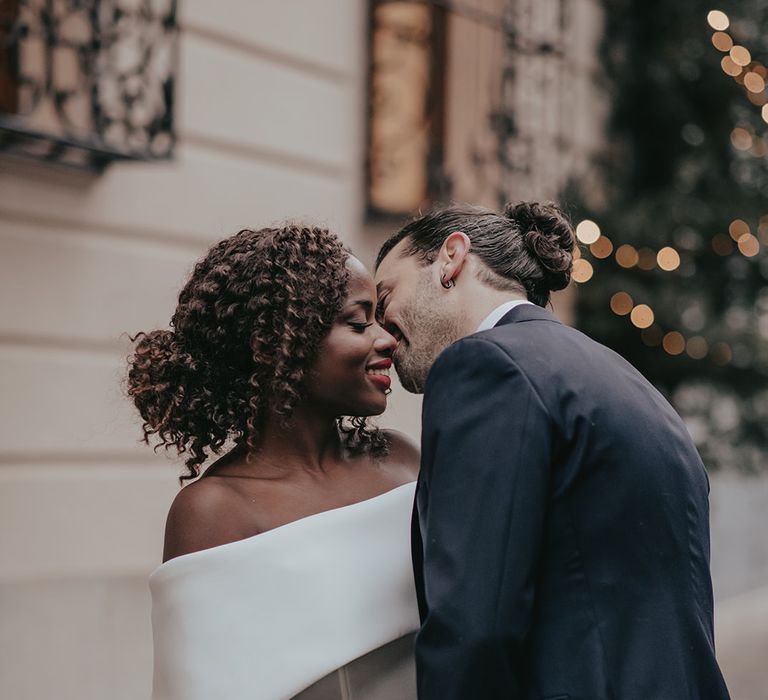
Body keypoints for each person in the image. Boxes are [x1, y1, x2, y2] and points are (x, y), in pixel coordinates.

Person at [374, 201, 731, 700]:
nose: (380, 329)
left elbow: (474, 625)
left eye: (384, 297)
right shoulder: (625, 379)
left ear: (451, 258)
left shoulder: (483, 365)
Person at [127, 225, 420, 700]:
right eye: (359, 322)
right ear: (282, 343)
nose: (387, 340)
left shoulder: (404, 461)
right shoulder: (214, 511)